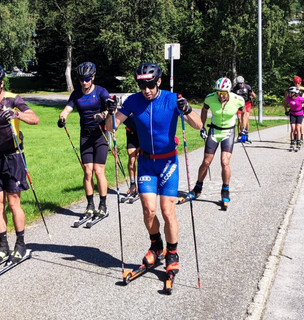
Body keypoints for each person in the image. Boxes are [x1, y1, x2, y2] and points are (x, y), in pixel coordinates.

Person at [106, 62, 203, 290]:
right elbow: (111, 127)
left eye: (150, 84)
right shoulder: (133, 101)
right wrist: (110, 112)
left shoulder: (171, 98)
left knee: (168, 211)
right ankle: (156, 246)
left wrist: (187, 109)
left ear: (158, 81)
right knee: (149, 210)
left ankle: (172, 253)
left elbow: (198, 124)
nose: (146, 89)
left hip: (168, 161)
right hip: (146, 162)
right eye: (142, 85)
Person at [0, 64, 40, 264]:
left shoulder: (12, 99)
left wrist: (17, 114)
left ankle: (21, 244)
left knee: (13, 202)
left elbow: (35, 119)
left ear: (1, 84)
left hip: (14, 157)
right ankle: (3, 246)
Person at [58, 62, 110, 218]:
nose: (84, 82)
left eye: (87, 79)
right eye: (81, 79)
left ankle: (103, 204)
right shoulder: (76, 94)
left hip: (100, 134)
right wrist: (62, 117)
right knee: (87, 171)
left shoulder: (101, 91)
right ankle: (90, 205)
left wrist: (102, 115)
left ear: (93, 77)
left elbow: (109, 108)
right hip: (85, 135)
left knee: (98, 171)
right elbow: (67, 109)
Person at [189, 77, 245, 207]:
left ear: (229, 91)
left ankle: (225, 190)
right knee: (206, 162)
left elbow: (243, 115)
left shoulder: (238, 100)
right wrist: (202, 126)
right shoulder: (210, 98)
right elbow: (204, 110)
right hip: (214, 131)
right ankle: (197, 188)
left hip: (228, 132)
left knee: (224, 162)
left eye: (224, 93)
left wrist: (243, 130)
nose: (221, 96)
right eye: (219, 93)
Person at [232, 76, 256, 142]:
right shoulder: (235, 89)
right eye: (239, 83)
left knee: (246, 119)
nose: (240, 85)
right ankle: (239, 134)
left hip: (247, 103)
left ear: (243, 82)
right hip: (239, 105)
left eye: (241, 83)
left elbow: (254, 95)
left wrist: (252, 96)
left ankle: (246, 134)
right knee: (240, 120)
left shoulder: (247, 87)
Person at [123, 115, 139, 198]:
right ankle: (133, 184)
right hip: (131, 131)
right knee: (131, 157)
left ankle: (142, 184)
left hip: (142, 131)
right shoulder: (127, 102)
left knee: (140, 156)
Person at [284, 86, 304, 151]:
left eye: (291, 92)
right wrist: (286, 111)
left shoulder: (300, 99)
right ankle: (292, 143)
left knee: (298, 128)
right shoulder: (288, 98)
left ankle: (298, 142)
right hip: (292, 114)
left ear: (295, 93)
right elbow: (285, 104)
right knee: (293, 128)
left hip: (299, 114)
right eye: (289, 92)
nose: (289, 94)